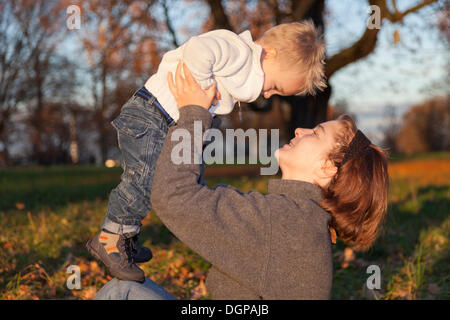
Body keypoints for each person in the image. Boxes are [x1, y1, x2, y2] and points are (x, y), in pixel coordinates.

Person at [94, 63, 389, 300]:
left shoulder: (285, 220)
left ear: (327, 168)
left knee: (121, 294)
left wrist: (194, 114)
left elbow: (173, 196)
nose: (300, 130)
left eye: (316, 133)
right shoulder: (300, 218)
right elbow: (195, 197)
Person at [86, 21, 327, 282]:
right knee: (144, 179)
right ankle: (112, 237)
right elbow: (198, 49)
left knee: (187, 181)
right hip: (151, 115)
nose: (268, 95)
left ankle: (127, 237)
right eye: (275, 86)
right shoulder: (237, 51)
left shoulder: (238, 72)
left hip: (165, 124)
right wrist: (198, 90)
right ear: (270, 53)